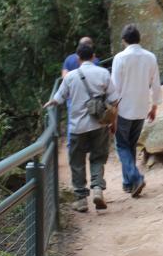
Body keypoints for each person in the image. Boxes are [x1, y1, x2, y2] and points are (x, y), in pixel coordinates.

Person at [43, 43, 112, 212]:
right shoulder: (103, 73)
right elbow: (115, 97)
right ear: (94, 56)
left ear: (78, 58)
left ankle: (81, 200)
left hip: (77, 126)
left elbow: (58, 99)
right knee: (98, 157)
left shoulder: (70, 77)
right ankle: (97, 188)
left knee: (77, 162)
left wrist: (50, 103)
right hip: (99, 124)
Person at [110, 24, 162, 197]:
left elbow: (115, 88)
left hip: (124, 108)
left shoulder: (120, 58)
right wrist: (154, 106)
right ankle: (128, 183)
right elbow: (156, 84)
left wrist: (112, 112)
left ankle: (135, 177)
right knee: (130, 145)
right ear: (139, 38)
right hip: (141, 108)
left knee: (121, 145)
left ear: (124, 40)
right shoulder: (150, 57)